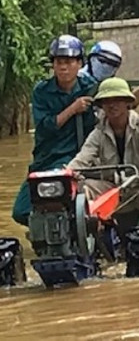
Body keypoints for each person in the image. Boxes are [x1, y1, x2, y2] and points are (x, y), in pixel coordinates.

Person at [12, 35, 97, 226]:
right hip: (48, 158)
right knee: (21, 210)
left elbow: (118, 105)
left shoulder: (91, 86)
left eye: (68, 62)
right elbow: (45, 127)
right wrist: (73, 109)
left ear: (79, 63)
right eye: (59, 62)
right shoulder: (42, 91)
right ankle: (45, 230)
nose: (63, 67)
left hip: (80, 159)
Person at [67, 78, 139, 226]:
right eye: (107, 101)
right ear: (101, 106)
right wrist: (65, 176)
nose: (112, 105)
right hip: (114, 188)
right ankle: (92, 232)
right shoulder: (98, 133)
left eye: (117, 100)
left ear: (128, 102)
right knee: (82, 188)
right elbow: (81, 159)